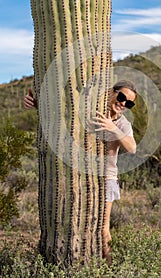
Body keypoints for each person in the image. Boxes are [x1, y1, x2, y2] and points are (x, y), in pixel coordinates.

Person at [24, 79, 137, 263]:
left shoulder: (123, 124)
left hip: (105, 179)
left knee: (102, 228)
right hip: (79, 176)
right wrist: (37, 105)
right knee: (72, 223)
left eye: (129, 103)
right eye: (122, 96)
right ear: (111, 92)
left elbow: (132, 147)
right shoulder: (91, 111)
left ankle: (110, 268)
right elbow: (64, 118)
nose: (123, 103)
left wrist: (113, 129)